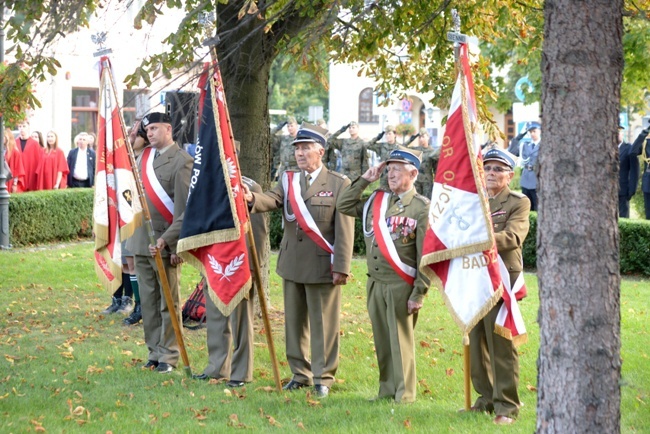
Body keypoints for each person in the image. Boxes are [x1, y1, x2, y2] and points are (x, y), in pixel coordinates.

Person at [243, 123, 355, 398]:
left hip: (321, 265)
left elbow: (344, 229)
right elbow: (273, 198)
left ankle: (323, 378)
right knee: (294, 323)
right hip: (292, 263)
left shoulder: (339, 183)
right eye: (297, 148)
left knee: (323, 325)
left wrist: (341, 266)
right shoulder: (288, 178)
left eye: (305, 148)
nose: (300, 153)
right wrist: (251, 199)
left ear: (321, 151)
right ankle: (300, 373)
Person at [337, 146, 431, 404]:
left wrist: (419, 292)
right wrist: (367, 178)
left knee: (401, 341)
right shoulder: (376, 200)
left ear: (413, 173)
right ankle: (387, 390)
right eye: (389, 169)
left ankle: (405, 395)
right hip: (375, 282)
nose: (390, 175)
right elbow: (344, 204)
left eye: (397, 170)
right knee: (382, 339)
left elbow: (426, 256)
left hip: (401, 283)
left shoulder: (421, 208)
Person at [468, 148, 530, 425]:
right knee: (476, 341)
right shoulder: (473, 200)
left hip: (501, 279)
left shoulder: (519, 201)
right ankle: (485, 399)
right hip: (473, 276)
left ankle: (507, 406)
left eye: (498, 169)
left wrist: (478, 238)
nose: (491, 173)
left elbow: (513, 236)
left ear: (510, 175)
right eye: (487, 168)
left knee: (501, 344)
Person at [128, 112, 193, 373]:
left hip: (165, 241)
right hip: (142, 241)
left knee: (168, 302)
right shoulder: (141, 158)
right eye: (147, 130)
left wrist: (176, 244)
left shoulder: (182, 161)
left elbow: (184, 210)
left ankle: (169, 355)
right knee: (149, 300)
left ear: (168, 128)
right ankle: (154, 351)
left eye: (155, 128)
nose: (150, 133)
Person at [195, 173, 268, 387]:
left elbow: (258, 230)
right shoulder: (206, 183)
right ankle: (217, 368)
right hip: (214, 261)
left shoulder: (249, 186)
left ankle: (241, 372)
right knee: (216, 318)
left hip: (240, 263)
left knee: (240, 320)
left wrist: (255, 265)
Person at [123, 120, 149, 326]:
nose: (131, 135)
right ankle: (138, 305)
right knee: (130, 262)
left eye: (135, 132)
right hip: (129, 214)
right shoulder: (129, 157)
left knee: (140, 264)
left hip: (144, 217)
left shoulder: (147, 157)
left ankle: (145, 306)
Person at [508, 121, 540, 211]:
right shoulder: (525, 145)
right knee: (526, 207)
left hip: (537, 179)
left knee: (537, 207)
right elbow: (512, 151)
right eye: (530, 132)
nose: (532, 134)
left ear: (540, 131)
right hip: (526, 179)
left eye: (534, 131)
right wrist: (519, 136)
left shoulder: (543, 145)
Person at [617, 126, 639, 218]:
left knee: (623, 218)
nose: (617, 135)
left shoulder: (629, 148)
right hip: (607, 191)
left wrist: (632, 189)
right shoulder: (605, 148)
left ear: (622, 134)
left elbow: (634, 170)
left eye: (618, 133)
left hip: (623, 190)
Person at [411, 128, 439, 198]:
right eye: (419, 137)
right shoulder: (416, 150)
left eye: (423, 137)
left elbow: (436, 169)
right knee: (416, 201)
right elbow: (403, 147)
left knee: (427, 201)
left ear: (428, 137)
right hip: (416, 181)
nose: (421, 139)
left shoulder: (432, 152)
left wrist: (437, 183)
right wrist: (412, 138)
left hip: (427, 182)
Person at [16, 121, 44, 191]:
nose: (22, 128)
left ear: (28, 127)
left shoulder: (34, 144)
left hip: (31, 176)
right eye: (20, 126)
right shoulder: (14, 143)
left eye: (24, 126)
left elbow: (38, 162)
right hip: (17, 177)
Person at [4, 128, 26, 193]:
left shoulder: (15, 152)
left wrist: (15, 184)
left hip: (10, 180)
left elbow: (18, 168)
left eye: (3, 137)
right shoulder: (2, 150)